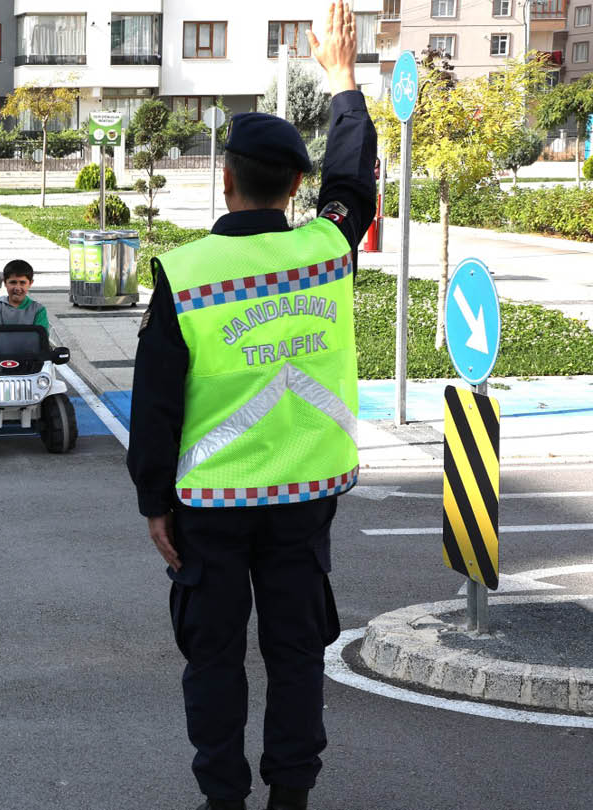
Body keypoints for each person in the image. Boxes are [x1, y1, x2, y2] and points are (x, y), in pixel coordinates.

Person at [125, 5, 375, 810]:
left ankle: (222, 799)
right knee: (298, 655)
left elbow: (155, 405)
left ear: (224, 180)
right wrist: (341, 80)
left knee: (214, 658)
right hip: (305, 503)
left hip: (211, 509)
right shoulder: (327, 248)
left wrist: (152, 503)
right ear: (296, 187)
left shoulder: (187, 274)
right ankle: (291, 797)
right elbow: (354, 184)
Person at [0, 260, 49, 329]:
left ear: (30, 283)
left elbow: (41, 337)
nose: (17, 288)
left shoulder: (38, 310)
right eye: (13, 282)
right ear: (5, 283)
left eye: (22, 283)